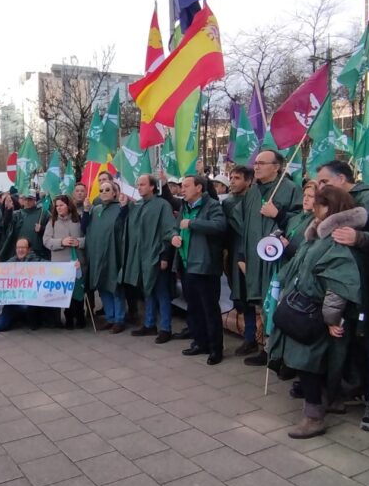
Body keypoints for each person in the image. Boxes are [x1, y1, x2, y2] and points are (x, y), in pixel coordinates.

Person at [267, 186, 365, 439]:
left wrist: (331, 318)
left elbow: (339, 284)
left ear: (328, 208)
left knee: (308, 364)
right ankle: (324, 403)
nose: (311, 205)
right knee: (309, 363)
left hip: (314, 313)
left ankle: (314, 417)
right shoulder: (319, 236)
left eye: (317, 202)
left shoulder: (334, 240)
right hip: (305, 308)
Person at [315, 160, 369, 432]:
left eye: (325, 182)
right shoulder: (334, 201)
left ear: (342, 179)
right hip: (344, 287)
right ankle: (349, 388)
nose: (320, 188)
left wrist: (360, 238)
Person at [229, 154, 303, 366]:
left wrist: (278, 214)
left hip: (275, 259)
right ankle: (265, 348)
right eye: (256, 163)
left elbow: (301, 220)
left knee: (275, 304)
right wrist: (242, 254)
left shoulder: (290, 188)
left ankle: (280, 353)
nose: (257, 166)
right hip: (253, 258)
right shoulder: (253, 191)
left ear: (277, 167)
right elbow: (243, 224)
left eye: (262, 163)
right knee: (261, 305)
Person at [170, 175, 227, 365]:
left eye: (186, 186)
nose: (182, 189)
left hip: (205, 266)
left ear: (199, 188)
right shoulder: (184, 207)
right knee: (193, 308)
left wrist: (193, 224)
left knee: (209, 309)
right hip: (187, 265)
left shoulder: (212, 205)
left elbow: (219, 226)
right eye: (181, 186)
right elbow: (175, 228)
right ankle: (199, 342)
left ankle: (215, 349)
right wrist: (174, 237)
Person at [124, 174, 178, 343]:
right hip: (141, 258)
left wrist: (164, 257)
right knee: (148, 292)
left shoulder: (162, 205)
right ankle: (149, 324)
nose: (139, 187)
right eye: (137, 184)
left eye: (142, 184)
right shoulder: (137, 205)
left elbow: (169, 230)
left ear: (152, 186)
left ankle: (166, 328)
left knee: (161, 293)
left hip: (156, 257)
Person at [86, 182, 128, 333]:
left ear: (115, 193)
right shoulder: (96, 210)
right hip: (98, 254)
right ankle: (110, 317)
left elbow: (123, 227)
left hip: (113, 253)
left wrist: (124, 209)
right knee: (102, 286)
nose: (103, 192)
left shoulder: (120, 208)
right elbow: (88, 229)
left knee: (115, 287)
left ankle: (119, 319)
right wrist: (85, 211)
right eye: (101, 190)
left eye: (107, 190)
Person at [43, 195, 86, 329]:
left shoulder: (78, 219)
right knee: (65, 292)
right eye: (57, 206)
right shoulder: (52, 222)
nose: (59, 208)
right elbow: (46, 240)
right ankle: (68, 317)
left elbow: (87, 237)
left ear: (68, 205)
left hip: (77, 261)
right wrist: (61, 242)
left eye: (61, 205)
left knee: (78, 291)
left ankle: (80, 316)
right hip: (60, 263)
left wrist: (79, 242)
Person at [0, 238, 44, 331]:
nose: (20, 250)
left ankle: (30, 318)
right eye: (18, 247)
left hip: (29, 299)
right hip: (12, 301)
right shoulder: (12, 261)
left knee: (26, 308)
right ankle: (15, 318)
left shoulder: (36, 260)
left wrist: (72, 266)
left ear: (29, 249)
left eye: (23, 247)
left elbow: (51, 267)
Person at [1, 192, 49, 260]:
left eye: (30, 199)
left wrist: (42, 229)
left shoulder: (44, 213)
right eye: (25, 199)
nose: (27, 202)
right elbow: (6, 227)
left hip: (38, 254)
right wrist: (8, 211)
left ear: (35, 199)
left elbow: (51, 231)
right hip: (20, 253)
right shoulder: (17, 214)